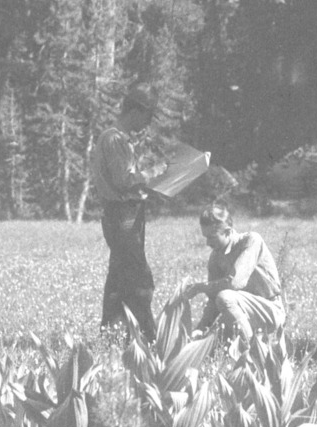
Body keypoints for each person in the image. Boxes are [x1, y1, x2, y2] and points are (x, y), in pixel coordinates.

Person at [90, 88, 161, 342]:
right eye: (147, 116)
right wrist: (156, 172)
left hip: (126, 215)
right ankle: (149, 338)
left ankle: (111, 336)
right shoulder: (114, 139)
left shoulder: (120, 139)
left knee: (119, 279)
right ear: (135, 111)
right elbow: (124, 181)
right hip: (122, 217)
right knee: (139, 279)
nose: (147, 123)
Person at [185, 201, 284, 340]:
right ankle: (249, 342)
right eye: (205, 237)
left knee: (225, 297)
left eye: (212, 237)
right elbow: (213, 300)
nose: (208, 243)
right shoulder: (215, 257)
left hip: (269, 310)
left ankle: (251, 349)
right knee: (209, 341)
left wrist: (200, 287)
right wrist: (201, 329)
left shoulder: (251, 241)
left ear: (228, 231)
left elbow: (234, 283)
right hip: (241, 312)